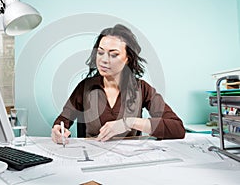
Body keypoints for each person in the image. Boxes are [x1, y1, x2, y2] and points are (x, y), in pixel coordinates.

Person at [51, 24, 185, 144]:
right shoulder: (84, 87)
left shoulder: (142, 88)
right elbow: (63, 121)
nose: (103, 60)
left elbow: (177, 128)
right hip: (93, 159)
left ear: (127, 59)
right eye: (100, 52)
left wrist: (129, 122)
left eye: (113, 55)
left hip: (130, 162)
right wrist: (58, 130)